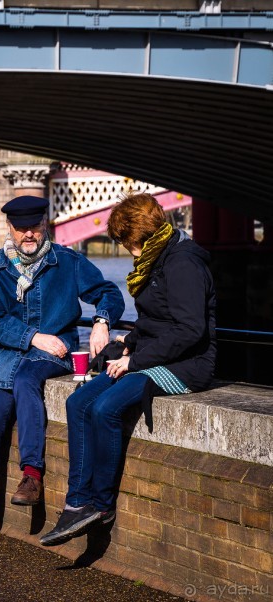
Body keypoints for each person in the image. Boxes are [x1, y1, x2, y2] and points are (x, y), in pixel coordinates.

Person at [40, 192, 216, 546]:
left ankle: (101, 505)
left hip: (187, 365)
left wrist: (134, 361)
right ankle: (77, 503)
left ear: (139, 235)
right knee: (78, 403)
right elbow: (156, 319)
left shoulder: (182, 263)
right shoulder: (157, 258)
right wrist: (129, 341)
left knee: (105, 409)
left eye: (125, 240)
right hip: (153, 355)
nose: (124, 248)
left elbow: (189, 330)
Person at [0, 195, 125, 546]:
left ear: (44, 225)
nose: (28, 235)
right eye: (21, 228)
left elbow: (108, 292)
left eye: (34, 227)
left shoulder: (67, 261)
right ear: (10, 228)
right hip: (4, 357)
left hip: (54, 355)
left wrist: (101, 321)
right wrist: (33, 336)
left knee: (27, 380)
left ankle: (32, 475)